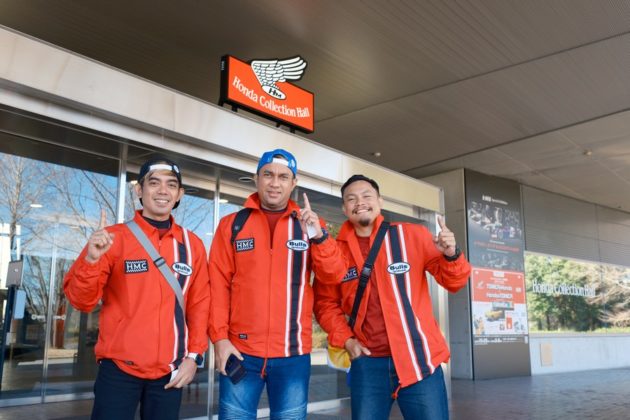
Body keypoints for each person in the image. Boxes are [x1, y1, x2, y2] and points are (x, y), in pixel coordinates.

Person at [314, 174, 471, 420]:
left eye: (367, 196)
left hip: (418, 359)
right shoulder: (333, 252)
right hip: (368, 363)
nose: (360, 202)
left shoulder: (412, 236)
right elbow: (325, 304)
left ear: (380, 201)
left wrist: (452, 254)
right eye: (351, 199)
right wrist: (347, 341)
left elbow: (455, 282)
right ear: (344, 209)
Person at [64, 157, 210, 420]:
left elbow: (199, 305)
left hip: (170, 373)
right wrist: (92, 260)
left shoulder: (193, 245)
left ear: (179, 194)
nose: (163, 191)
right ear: (139, 190)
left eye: (171, 185)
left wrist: (194, 357)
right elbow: (81, 301)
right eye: (154, 183)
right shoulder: (112, 238)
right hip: (118, 371)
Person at [208, 149, 347, 419]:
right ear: (256, 178)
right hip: (240, 351)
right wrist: (220, 339)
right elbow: (217, 286)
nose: (275, 183)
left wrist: (319, 237)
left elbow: (335, 276)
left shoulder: (310, 225)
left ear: (293, 183)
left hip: (292, 354)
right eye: (268, 175)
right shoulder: (232, 225)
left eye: (283, 177)